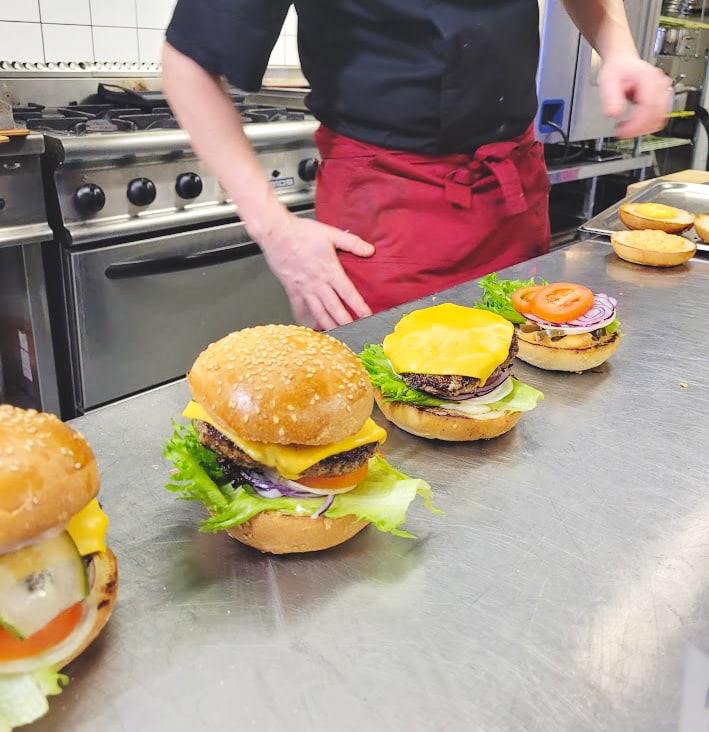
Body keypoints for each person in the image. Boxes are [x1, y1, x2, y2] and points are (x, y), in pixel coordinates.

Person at [161, 1, 671, 330]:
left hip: (512, 196)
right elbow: (188, 63)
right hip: (388, 214)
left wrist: (618, 50)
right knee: (391, 414)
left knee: (519, 386)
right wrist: (275, 232)